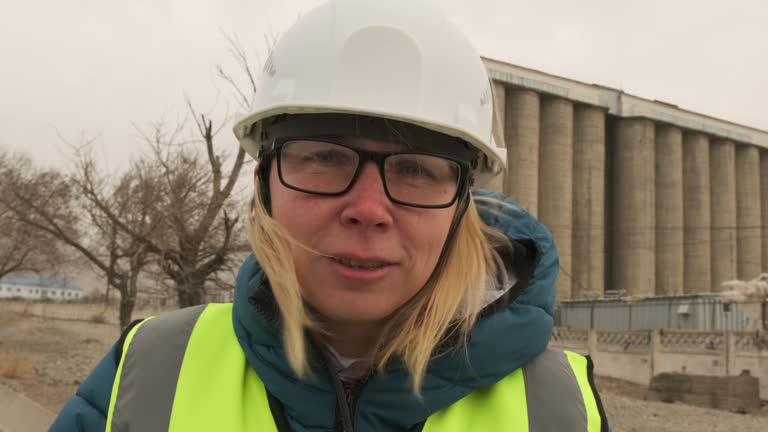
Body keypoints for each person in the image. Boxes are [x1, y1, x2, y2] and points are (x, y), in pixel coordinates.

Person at [51, 0, 609, 430]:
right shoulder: (149, 372)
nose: (368, 210)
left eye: (416, 169)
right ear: (262, 185)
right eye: (322, 158)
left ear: (462, 207)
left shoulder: (557, 409)